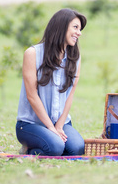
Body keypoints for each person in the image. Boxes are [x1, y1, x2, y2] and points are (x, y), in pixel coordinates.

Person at [16, 8, 87, 156]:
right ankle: (29, 149)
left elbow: (70, 95)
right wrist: (51, 128)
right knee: (56, 147)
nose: (79, 33)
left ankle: (43, 146)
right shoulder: (33, 53)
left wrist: (59, 126)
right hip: (30, 124)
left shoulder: (75, 58)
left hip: (60, 122)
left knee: (78, 148)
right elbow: (32, 96)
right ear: (61, 27)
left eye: (80, 29)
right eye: (75, 27)